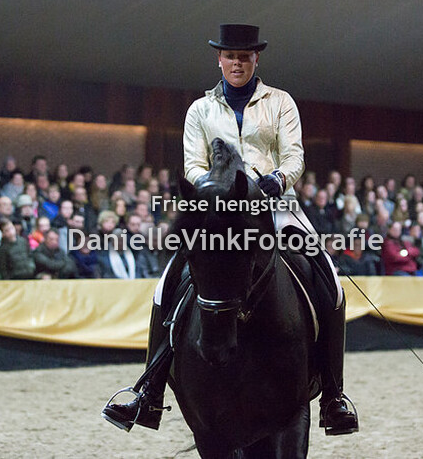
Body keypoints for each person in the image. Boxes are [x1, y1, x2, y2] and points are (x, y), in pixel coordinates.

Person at [103, 24, 358, 436]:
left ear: (256, 59)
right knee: (168, 280)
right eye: (230, 56)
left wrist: (274, 181)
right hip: (219, 209)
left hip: (274, 206)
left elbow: (295, 156)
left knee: (328, 275)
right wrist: (213, 191)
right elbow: (192, 165)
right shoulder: (200, 110)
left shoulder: (280, 102)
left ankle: (333, 394)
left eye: (244, 57)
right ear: (218, 59)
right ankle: (148, 391)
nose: (236, 63)